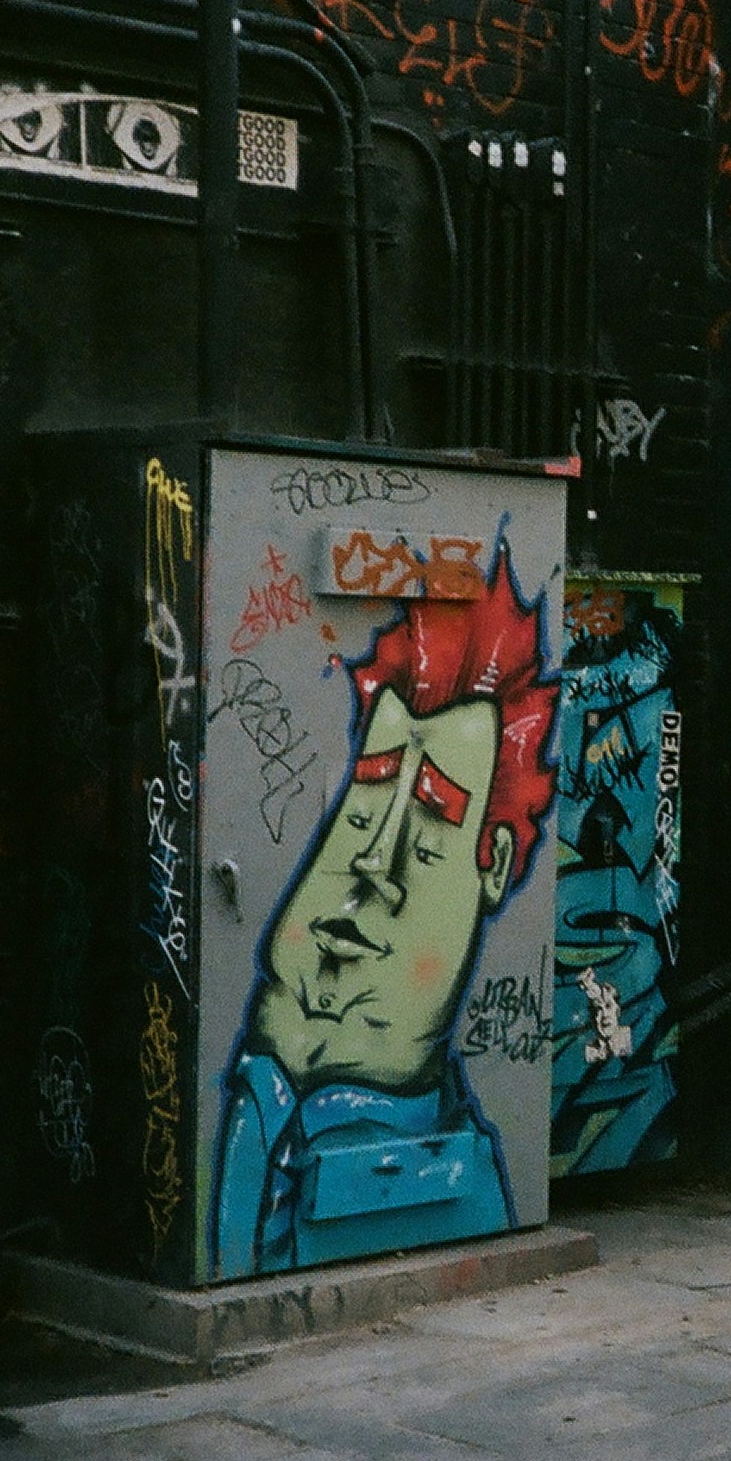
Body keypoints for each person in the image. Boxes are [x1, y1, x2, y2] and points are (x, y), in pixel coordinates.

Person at [212, 544, 558, 1278]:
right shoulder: (238, 1102)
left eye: (433, 820)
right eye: (368, 793)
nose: (374, 864)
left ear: (491, 864)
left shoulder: (476, 1190)